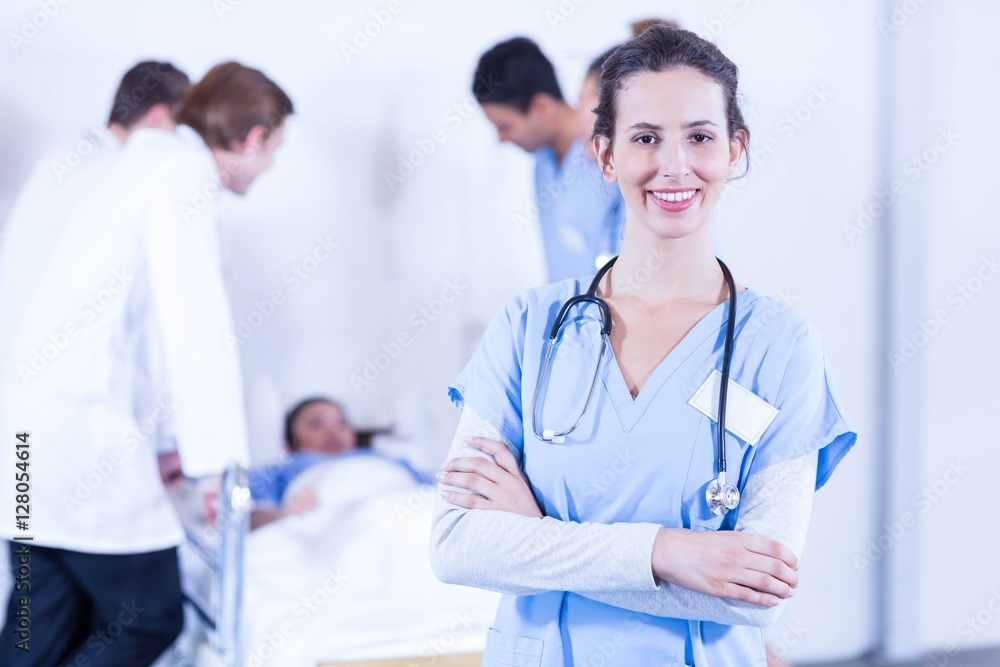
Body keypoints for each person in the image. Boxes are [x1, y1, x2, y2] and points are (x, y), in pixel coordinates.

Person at [431, 26, 857, 666]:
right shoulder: (528, 328)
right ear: (604, 155)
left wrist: (538, 536)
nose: (675, 165)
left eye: (701, 136)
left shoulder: (781, 347)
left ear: (735, 149)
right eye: (646, 137)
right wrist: (667, 552)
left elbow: (758, 599)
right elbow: (458, 544)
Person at [0, 62, 293, 666]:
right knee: (151, 618)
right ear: (255, 137)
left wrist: (167, 439)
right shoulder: (182, 173)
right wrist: (216, 466)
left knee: (39, 620)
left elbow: (131, 324)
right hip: (79, 439)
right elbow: (192, 327)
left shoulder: (119, 166)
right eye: (275, 150)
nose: (268, 168)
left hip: (27, 436)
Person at [0, 61, 190, 373]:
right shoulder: (111, 175)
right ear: (158, 117)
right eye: (177, 129)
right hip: (49, 369)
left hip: (23, 358)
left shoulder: (73, 154)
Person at [473, 37, 624, 281]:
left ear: (541, 107)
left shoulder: (608, 161)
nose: (500, 139)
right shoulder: (542, 166)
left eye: (505, 126)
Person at [249, 397, 432, 529]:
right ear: (290, 441)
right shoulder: (282, 468)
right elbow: (245, 516)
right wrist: (284, 515)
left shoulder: (386, 460)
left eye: (342, 423)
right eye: (317, 423)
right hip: (335, 521)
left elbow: (437, 492)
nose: (333, 432)